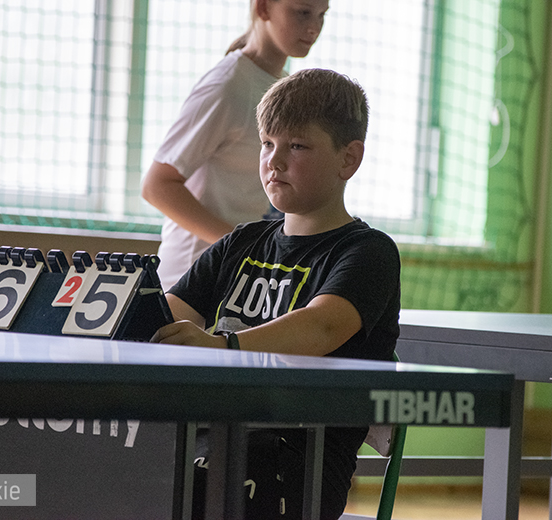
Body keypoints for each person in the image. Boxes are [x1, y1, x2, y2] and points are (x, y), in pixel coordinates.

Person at [151, 69, 401, 520]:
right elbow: (164, 315)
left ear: (349, 159)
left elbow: (321, 326)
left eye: (297, 146)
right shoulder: (240, 242)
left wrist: (222, 345)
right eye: (267, 143)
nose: (275, 160)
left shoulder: (369, 252)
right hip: (212, 438)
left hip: (297, 461)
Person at [141, 0, 329, 290]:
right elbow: (157, 186)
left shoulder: (279, 88)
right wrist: (244, 248)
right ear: (263, 8)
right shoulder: (226, 86)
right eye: (303, 12)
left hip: (240, 277)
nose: (314, 26)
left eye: (322, 15)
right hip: (191, 279)